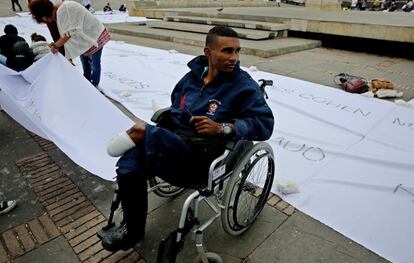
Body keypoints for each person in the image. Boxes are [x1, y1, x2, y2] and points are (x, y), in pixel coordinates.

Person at [97, 25, 274, 252]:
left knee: (144, 132)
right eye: (227, 51)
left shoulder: (243, 86)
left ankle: (140, 133)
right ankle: (132, 230)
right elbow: (175, 103)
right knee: (129, 165)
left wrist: (223, 128)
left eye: (237, 51)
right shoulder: (190, 78)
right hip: (174, 145)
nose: (234, 58)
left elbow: (265, 124)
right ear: (208, 52)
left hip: (203, 157)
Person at [29, 0, 110, 87]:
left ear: (47, 12)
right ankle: (86, 84)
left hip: (94, 35)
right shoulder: (59, 12)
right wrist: (56, 44)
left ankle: (94, 85)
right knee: (85, 63)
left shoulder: (63, 10)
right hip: (85, 39)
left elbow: (67, 34)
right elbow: (65, 34)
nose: (49, 20)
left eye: (47, 18)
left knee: (95, 64)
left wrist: (56, 45)